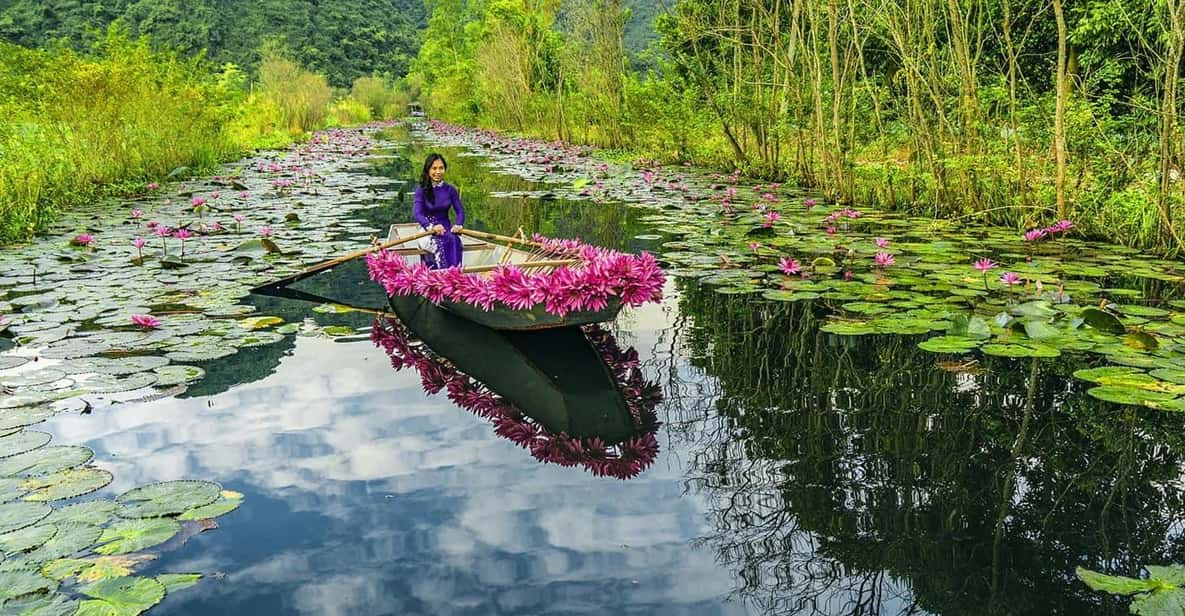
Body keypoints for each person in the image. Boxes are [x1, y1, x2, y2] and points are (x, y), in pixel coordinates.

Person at [413, 153, 465, 269]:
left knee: (454, 240)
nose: (438, 172)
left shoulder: (450, 190)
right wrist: (431, 227)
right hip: (427, 231)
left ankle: (455, 276)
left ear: (445, 169)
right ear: (428, 170)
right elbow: (417, 214)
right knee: (444, 242)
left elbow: (460, 211)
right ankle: (442, 277)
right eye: (434, 168)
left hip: (447, 229)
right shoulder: (421, 190)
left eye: (441, 168)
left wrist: (459, 224)